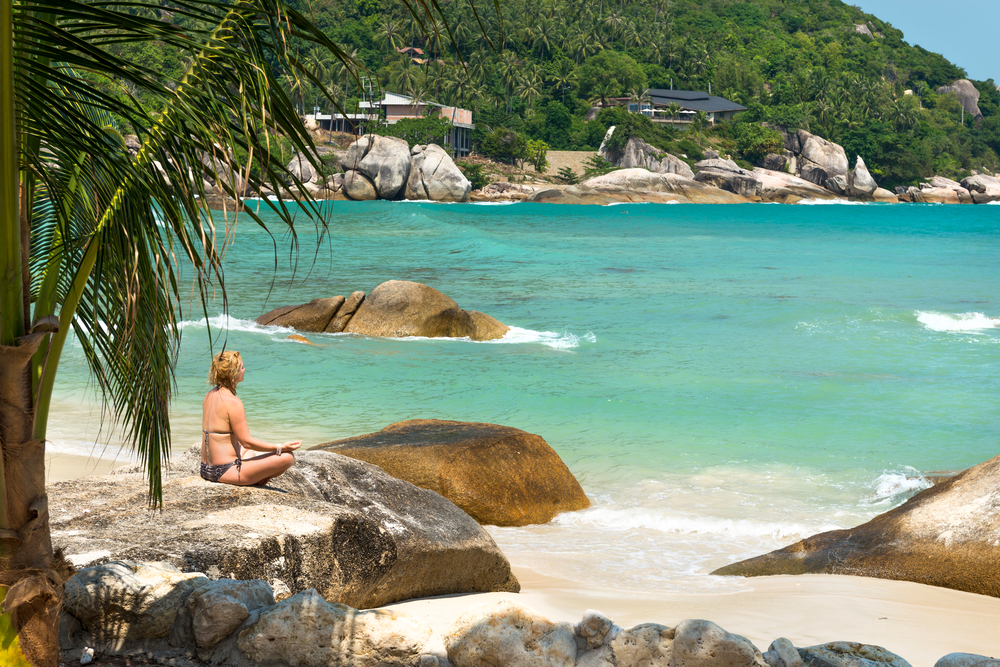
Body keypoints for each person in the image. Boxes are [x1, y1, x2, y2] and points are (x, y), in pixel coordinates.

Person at [201, 350, 301, 486]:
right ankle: (256, 477)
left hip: (206, 469)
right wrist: (280, 447)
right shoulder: (233, 402)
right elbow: (247, 441)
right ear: (233, 373)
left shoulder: (209, 395)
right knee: (288, 457)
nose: (244, 369)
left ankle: (256, 476)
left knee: (248, 451)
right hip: (225, 471)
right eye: (241, 367)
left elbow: (243, 444)